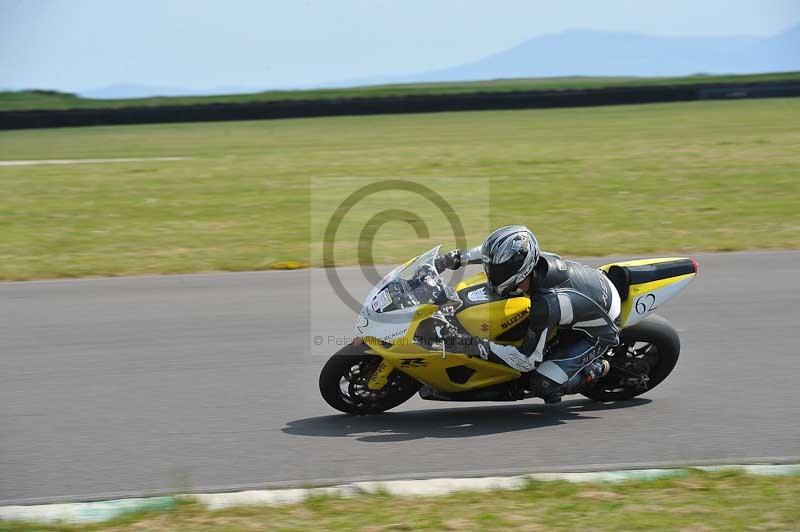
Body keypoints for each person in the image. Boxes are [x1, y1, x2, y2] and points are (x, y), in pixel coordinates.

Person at [435, 225, 620, 404]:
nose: (491, 271)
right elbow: (486, 253)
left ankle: (595, 368)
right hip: (590, 294)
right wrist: (451, 259)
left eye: (499, 270)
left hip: (598, 331)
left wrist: (476, 346)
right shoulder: (529, 258)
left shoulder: (546, 305)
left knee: (543, 383)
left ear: (519, 269)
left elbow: (527, 360)